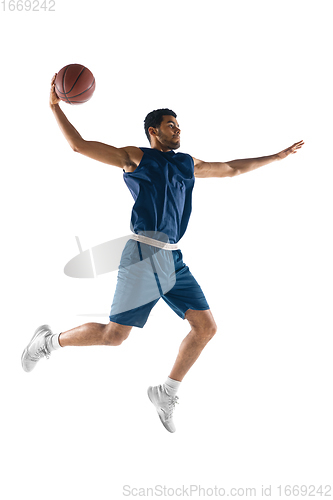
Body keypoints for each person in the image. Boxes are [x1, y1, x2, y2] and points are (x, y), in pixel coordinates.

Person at [21, 74, 304, 433]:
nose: (178, 130)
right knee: (114, 336)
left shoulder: (187, 163)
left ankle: (166, 392)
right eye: (171, 125)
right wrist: (54, 107)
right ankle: (47, 343)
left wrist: (276, 157)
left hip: (173, 258)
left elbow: (232, 168)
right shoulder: (135, 158)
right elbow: (79, 146)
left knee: (206, 328)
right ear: (154, 131)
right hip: (143, 256)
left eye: (179, 125)